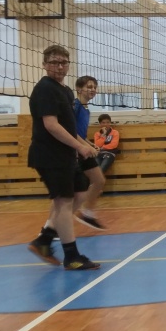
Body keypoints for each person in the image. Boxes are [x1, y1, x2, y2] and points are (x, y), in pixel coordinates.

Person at [26, 45, 101, 271]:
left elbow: (68, 127)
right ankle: (72, 256)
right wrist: (79, 146)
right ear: (44, 64)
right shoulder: (45, 89)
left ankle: (44, 240)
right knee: (64, 203)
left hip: (66, 155)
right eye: (54, 62)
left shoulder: (66, 91)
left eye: (63, 63)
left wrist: (84, 145)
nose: (59, 67)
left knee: (80, 193)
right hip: (50, 155)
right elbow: (51, 125)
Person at [72, 75, 107, 230]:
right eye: (89, 87)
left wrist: (91, 144)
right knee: (71, 195)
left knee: (99, 180)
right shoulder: (75, 105)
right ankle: (52, 227)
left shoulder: (86, 109)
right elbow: (70, 131)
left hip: (83, 149)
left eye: (94, 87)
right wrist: (85, 146)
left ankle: (87, 213)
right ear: (79, 89)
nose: (92, 90)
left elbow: (80, 133)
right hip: (74, 150)